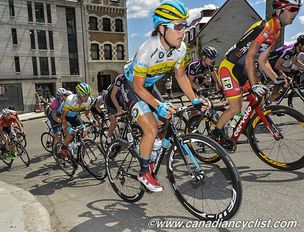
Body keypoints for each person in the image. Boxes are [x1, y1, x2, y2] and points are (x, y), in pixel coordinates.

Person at [121, 1, 209, 192]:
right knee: (152, 128)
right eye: (178, 26)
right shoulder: (147, 49)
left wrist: (193, 98)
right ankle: (144, 172)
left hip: (149, 86)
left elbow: (180, 75)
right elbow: (137, 86)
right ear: (162, 28)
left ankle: (146, 147)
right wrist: (156, 105)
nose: (183, 31)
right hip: (130, 86)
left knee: (165, 118)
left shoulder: (181, 49)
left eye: (184, 26)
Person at [212, 0, 302, 143]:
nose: (296, 14)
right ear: (279, 10)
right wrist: (255, 84)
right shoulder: (266, 27)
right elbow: (250, 57)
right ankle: (215, 132)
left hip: (243, 70)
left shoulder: (276, 30)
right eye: (292, 9)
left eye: (298, 10)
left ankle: (243, 125)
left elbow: (263, 60)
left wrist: (275, 78)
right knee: (235, 107)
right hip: (229, 68)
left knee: (260, 100)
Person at [59, 83, 95, 158]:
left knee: (84, 131)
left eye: (88, 94)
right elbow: (63, 118)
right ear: (78, 94)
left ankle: (77, 146)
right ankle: (62, 149)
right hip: (65, 117)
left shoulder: (88, 100)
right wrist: (68, 127)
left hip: (75, 116)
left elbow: (87, 113)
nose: (86, 97)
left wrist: (92, 120)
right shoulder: (70, 100)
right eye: (84, 95)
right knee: (70, 136)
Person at [265, 34, 304, 100]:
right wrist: (291, 70)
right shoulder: (290, 51)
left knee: (288, 78)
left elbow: (295, 61)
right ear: (300, 45)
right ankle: (272, 100)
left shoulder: (296, 50)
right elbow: (277, 66)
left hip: (277, 65)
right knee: (281, 80)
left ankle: (276, 96)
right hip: (269, 64)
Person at [104, 75, 125, 144]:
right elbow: (112, 96)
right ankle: (108, 139)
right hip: (110, 99)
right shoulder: (120, 78)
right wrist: (119, 109)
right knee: (114, 122)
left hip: (119, 98)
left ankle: (122, 129)